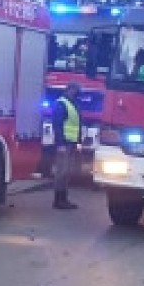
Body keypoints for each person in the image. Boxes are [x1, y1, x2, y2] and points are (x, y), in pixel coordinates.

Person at [51, 82, 82, 210]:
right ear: (69, 90)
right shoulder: (62, 103)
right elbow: (57, 125)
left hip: (71, 143)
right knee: (62, 172)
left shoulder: (72, 103)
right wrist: (60, 144)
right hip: (64, 144)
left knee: (66, 172)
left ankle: (63, 199)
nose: (77, 93)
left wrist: (78, 141)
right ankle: (59, 200)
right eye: (75, 90)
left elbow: (77, 124)